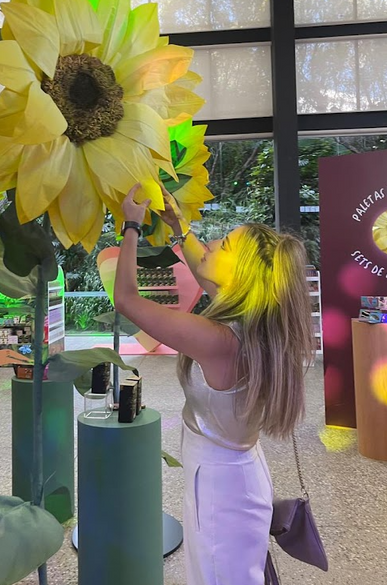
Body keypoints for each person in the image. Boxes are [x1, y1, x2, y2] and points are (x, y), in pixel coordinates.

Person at [114, 183, 315, 585]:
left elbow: (127, 300)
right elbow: (203, 266)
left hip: (223, 489)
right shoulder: (253, 322)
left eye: (223, 246)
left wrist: (130, 226)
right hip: (231, 472)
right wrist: (178, 226)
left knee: (219, 575)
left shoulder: (220, 340)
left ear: (242, 274)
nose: (209, 245)